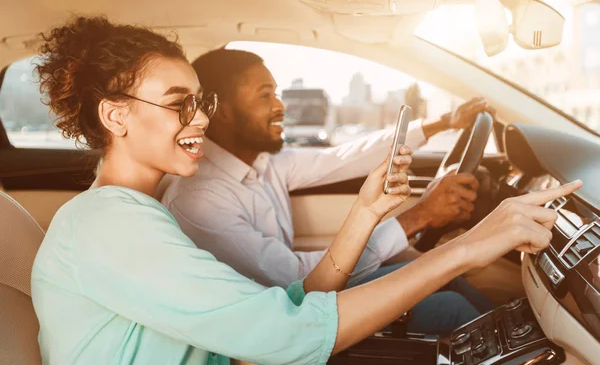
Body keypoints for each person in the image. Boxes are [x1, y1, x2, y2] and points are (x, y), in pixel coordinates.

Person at [31, 15, 581, 365]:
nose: (199, 120)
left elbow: (290, 304)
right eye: (179, 103)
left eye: (202, 103)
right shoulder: (110, 224)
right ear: (115, 116)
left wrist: (364, 215)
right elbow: (286, 332)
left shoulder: (134, 215)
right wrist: (465, 246)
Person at [162, 49, 494, 334]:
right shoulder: (201, 200)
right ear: (221, 111)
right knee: (450, 307)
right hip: (287, 321)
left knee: (446, 276)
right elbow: (299, 280)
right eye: (265, 96)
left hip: (307, 297)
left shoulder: (265, 162)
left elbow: (342, 159)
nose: (280, 106)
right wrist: (419, 217)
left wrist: (444, 123)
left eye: (276, 93)